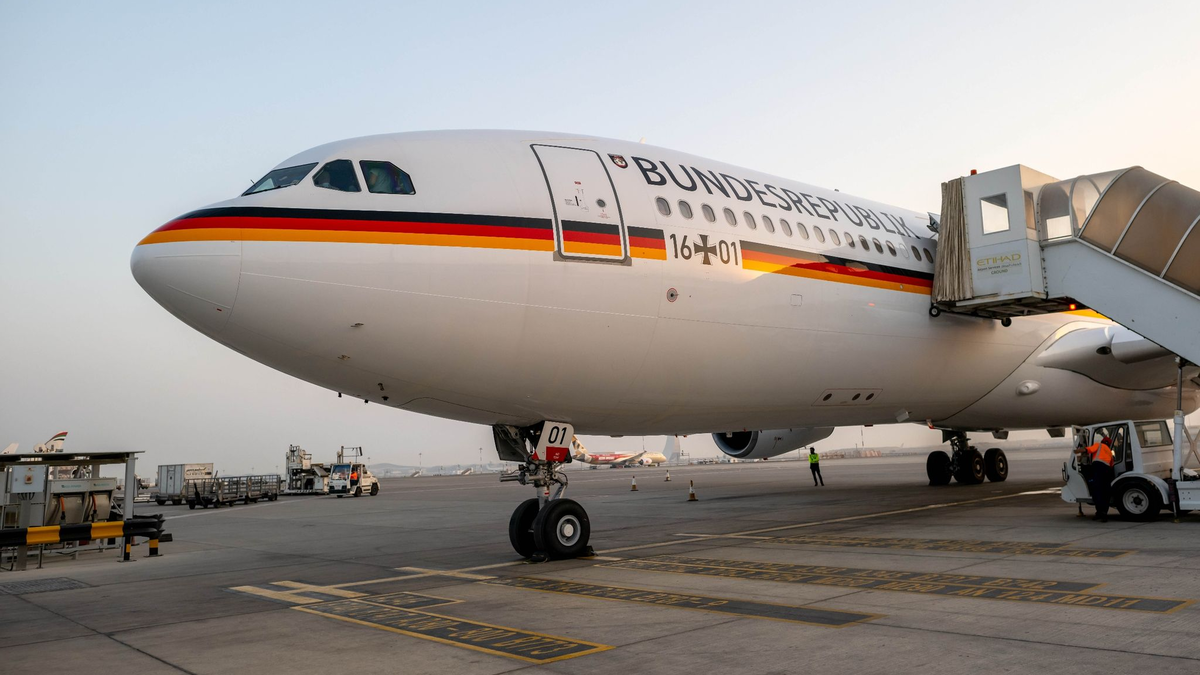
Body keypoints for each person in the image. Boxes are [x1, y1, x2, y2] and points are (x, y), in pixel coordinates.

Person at [1075, 435, 1114, 522]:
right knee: (1105, 492)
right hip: (1107, 470)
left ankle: (1099, 512)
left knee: (1097, 491)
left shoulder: (1098, 445)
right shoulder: (1109, 451)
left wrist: (1077, 451)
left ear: (1102, 441)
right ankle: (1104, 513)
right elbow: (1112, 464)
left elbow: (1088, 450)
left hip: (1098, 468)